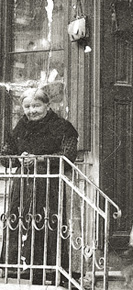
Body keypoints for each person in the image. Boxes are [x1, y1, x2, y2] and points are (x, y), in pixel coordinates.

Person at [0, 88, 78, 286]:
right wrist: (19, 158)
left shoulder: (62, 127)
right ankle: (14, 267)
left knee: (46, 221)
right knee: (18, 219)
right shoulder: (20, 127)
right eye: (27, 107)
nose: (31, 110)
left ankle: (48, 270)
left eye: (36, 106)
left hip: (48, 184)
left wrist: (40, 159)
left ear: (47, 105)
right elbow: (6, 156)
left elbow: (68, 156)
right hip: (22, 184)